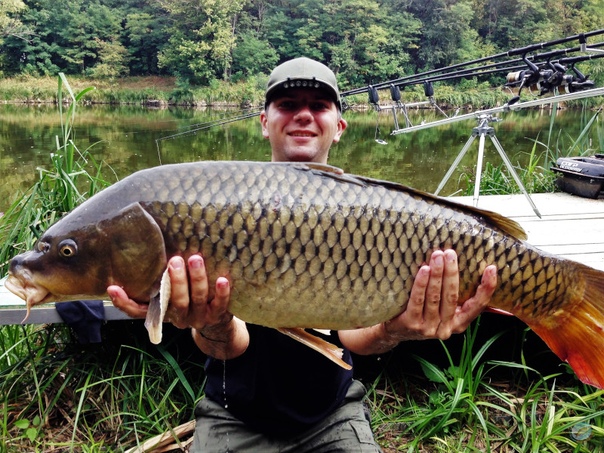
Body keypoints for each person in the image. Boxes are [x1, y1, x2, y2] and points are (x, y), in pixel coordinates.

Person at [108, 57, 498, 452]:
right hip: (234, 413)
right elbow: (232, 345)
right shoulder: (226, 205)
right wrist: (213, 324)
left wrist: (395, 329)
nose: (303, 115)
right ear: (265, 122)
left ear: (339, 126)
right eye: (288, 104)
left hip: (333, 412)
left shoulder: (363, 211)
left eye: (318, 105)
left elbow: (353, 337)